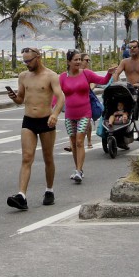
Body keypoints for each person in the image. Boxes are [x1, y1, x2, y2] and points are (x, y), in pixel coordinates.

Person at [4, 47, 65, 211]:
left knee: (48, 157)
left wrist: (55, 114)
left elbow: (61, 97)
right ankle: (21, 196)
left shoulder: (51, 76)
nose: (27, 64)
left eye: (29, 61)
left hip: (46, 121)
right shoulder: (23, 76)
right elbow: (21, 99)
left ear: (38, 57)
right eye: (24, 61)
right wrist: (14, 97)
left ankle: (49, 190)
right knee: (26, 157)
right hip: (28, 120)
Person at [59, 50, 112, 184]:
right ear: (68, 62)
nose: (78, 62)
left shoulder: (86, 74)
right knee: (73, 142)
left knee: (79, 142)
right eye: (75, 60)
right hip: (69, 115)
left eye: (79, 59)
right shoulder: (62, 77)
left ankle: (78, 171)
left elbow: (103, 81)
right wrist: (56, 109)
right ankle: (78, 169)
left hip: (84, 113)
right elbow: (56, 95)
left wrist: (109, 73)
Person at [109, 40, 139, 146]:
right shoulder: (125, 61)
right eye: (130, 47)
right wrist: (116, 81)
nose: (132, 49)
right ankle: (123, 137)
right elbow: (117, 72)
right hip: (129, 93)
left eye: (134, 47)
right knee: (127, 116)